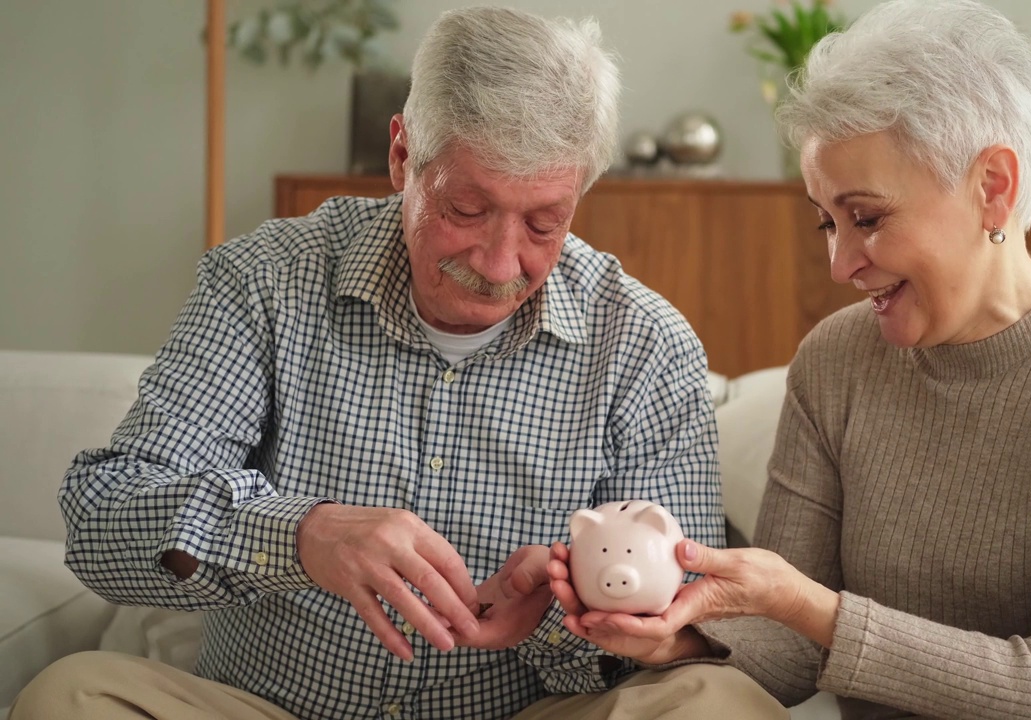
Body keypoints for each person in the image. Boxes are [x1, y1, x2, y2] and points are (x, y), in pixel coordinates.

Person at [9, 7, 787, 720]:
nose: (499, 261)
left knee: (717, 702)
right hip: (268, 708)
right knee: (70, 695)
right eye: (466, 210)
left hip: (515, 716)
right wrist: (300, 534)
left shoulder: (646, 345)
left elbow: (686, 628)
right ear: (401, 155)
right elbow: (101, 517)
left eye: (544, 223)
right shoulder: (264, 281)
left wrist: (565, 614)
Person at [547, 1, 1031, 718]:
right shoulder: (835, 361)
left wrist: (815, 610)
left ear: (994, 188)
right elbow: (788, 647)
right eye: (827, 222)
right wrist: (671, 638)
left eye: (867, 218)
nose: (838, 264)